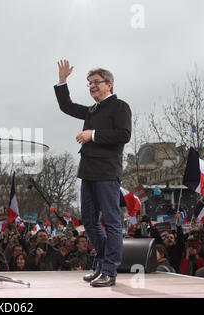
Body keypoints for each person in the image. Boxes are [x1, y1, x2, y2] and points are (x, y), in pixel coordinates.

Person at [54, 60, 132, 287]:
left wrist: (93, 134)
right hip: (87, 171)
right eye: (89, 83)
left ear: (110, 84)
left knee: (111, 221)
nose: (92, 86)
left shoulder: (120, 107)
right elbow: (67, 106)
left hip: (107, 171)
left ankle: (110, 270)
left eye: (96, 82)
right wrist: (62, 82)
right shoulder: (92, 110)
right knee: (88, 221)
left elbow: (124, 134)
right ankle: (101, 264)